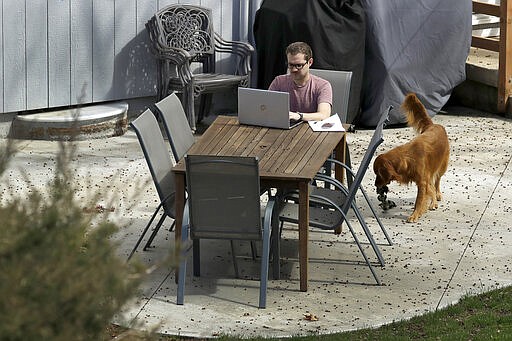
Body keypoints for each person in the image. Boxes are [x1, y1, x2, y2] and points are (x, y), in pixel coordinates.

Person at [268, 41, 332, 122]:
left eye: (299, 65)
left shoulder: (323, 86)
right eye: (291, 65)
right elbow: (266, 108)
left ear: (310, 62)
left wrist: (299, 116)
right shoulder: (278, 82)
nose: (294, 70)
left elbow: (324, 115)